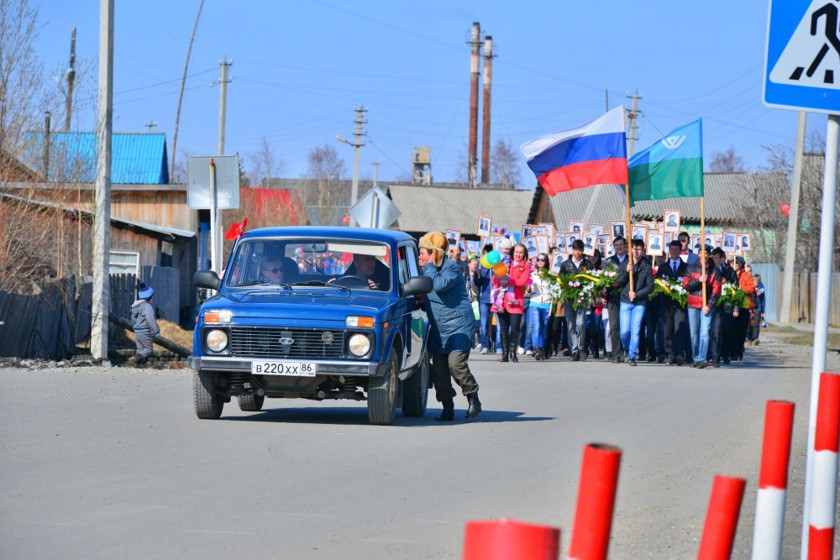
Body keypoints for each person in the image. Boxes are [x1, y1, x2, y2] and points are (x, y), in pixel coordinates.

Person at [418, 232, 481, 421]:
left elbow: (437, 285)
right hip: (439, 328)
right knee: (439, 370)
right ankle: (447, 406)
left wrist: (429, 266)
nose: (420, 256)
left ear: (433, 253)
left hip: (458, 325)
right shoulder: (426, 270)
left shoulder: (451, 267)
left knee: (456, 365)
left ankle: (473, 398)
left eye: (423, 252)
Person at [615, 239, 654, 366]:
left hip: (639, 303)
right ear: (630, 249)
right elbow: (619, 283)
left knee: (636, 329)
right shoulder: (625, 264)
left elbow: (650, 286)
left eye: (639, 249)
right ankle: (626, 348)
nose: (636, 251)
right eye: (634, 248)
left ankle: (632, 355)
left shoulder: (647, 267)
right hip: (626, 301)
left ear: (643, 250)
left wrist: (637, 294)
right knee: (624, 331)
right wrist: (627, 272)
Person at [682, 248, 721, 369]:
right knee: (694, 334)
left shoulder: (715, 271)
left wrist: (709, 306)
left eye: (706, 253)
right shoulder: (691, 268)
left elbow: (716, 291)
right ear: (698, 254)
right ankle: (695, 357)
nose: (703, 255)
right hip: (693, 305)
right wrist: (698, 280)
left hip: (706, 307)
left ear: (709, 255)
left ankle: (702, 358)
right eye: (701, 253)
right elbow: (686, 285)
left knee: (704, 333)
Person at [492, 243, 531, 363]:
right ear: (513, 252)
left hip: (516, 302)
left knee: (514, 327)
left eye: (521, 252)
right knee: (503, 329)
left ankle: (513, 352)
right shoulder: (504, 263)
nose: (518, 254)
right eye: (516, 252)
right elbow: (495, 278)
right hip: (502, 301)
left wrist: (509, 281)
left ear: (524, 254)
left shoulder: (526, 266)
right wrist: (500, 280)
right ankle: (505, 353)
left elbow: (522, 281)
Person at [656, 240, 690, 365]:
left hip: (680, 303)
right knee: (668, 329)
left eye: (677, 250)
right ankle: (669, 354)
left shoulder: (686, 267)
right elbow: (657, 281)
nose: (674, 252)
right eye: (672, 250)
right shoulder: (663, 267)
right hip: (666, 303)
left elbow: (688, 282)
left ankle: (679, 353)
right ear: (669, 251)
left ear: (681, 251)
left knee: (679, 328)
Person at [559, 239, 592, 361]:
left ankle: (582, 347)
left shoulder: (587, 264)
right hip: (569, 298)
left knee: (581, 323)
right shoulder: (565, 264)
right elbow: (560, 280)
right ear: (572, 250)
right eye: (576, 250)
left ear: (583, 250)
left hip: (582, 298)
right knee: (571, 324)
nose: (578, 252)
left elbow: (592, 279)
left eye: (580, 250)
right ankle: (574, 350)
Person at [605, 236, 628, 363]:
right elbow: (603, 279)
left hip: (627, 297)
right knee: (614, 326)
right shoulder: (609, 261)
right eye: (616, 245)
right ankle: (616, 353)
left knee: (626, 327)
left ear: (625, 245)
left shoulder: (630, 261)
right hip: (613, 297)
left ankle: (627, 351)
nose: (619, 247)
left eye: (621, 245)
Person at [528, 253, 553, 360]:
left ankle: (542, 348)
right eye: (538, 259)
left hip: (547, 303)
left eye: (543, 259)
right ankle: (536, 348)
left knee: (544, 328)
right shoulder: (532, 275)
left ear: (546, 262)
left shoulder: (551, 276)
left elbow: (554, 291)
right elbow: (527, 290)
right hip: (535, 302)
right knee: (536, 327)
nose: (541, 261)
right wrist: (528, 289)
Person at [731, 256, 756, 361]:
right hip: (731, 305)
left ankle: (739, 349)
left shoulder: (747, 275)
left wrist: (741, 289)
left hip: (743, 306)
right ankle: (732, 352)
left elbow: (751, 288)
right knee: (731, 330)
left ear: (740, 264)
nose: (733, 264)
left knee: (741, 331)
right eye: (732, 262)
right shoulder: (729, 274)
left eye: (735, 262)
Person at [129, 283, 160, 367]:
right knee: (149, 350)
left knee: (140, 350)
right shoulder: (147, 307)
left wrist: (135, 328)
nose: (153, 298)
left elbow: (132, 320)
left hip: (137, 332)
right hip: (145, 332)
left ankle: (139, 366)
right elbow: (151, 320)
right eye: (152, 296)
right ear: (149, 296)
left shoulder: (134, 306)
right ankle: (135, 358)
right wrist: (156, 331)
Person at [473, 243, 495, 354]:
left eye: (490, 252)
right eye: (486, 252)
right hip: (484, 298)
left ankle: (494, 343)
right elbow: (477, 282)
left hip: (496, 298)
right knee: (484, 323)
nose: (488, 254)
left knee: (494, 324)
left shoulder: (497, 264)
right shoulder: (481, 265)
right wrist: (478, 275)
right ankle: (485, 344)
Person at [750, 273, 766, 345]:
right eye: (755, 282)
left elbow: (763, 301)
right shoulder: (750, 288)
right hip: (750, 308)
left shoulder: (761, 289)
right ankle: (749, 338)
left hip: (758, 309)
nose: (756, 283)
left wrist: (763, 311)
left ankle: (755, 338)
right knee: (750, 324)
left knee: (756, 324)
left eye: (758, 282)